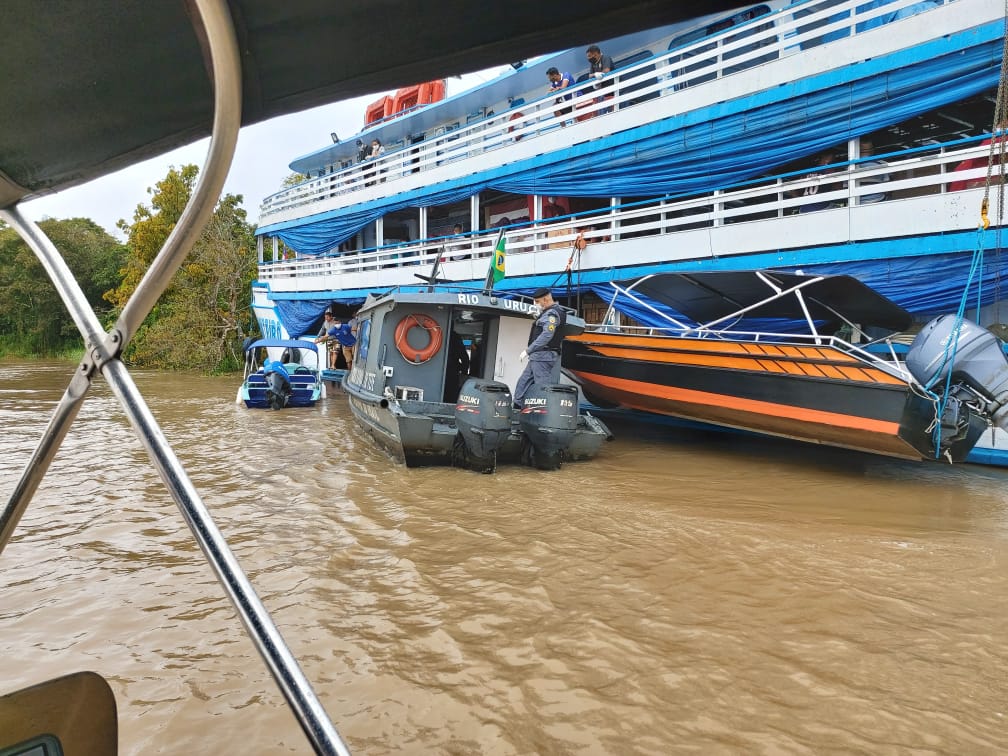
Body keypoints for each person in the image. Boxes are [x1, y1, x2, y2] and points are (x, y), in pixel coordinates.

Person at [514, 287, 566, 407]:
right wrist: (537, 317)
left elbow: (547, 334)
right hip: (538, 357)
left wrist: (528, 350)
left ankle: (543, 416)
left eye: (537, 302)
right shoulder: (550, 312)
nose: (535, 304)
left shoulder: (552, 314)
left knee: (542, 389)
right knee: (523, 382)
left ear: (545, 299)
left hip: (543, 356)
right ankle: (517, 408)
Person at [857, 138, 889, 204]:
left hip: (858, 203)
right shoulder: (882, 163)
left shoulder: (850, 166)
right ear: (872, 150)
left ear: (858, 150)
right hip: (879, 200)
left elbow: (846, 187)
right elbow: (887, 186)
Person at [586, 44, 615, 112]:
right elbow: (590, 76)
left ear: (595, 54)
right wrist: (596, 74)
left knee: (612, 108)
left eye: (589, 56)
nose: (588, 58)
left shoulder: (605, 57)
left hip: (613, 88)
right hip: (603, 91)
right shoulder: (593, 63)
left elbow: (606, 70)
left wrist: (596, 74)